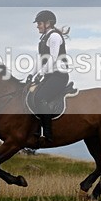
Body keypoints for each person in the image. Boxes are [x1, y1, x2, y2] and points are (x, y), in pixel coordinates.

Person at [32, 10, 70, 142]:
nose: (37, 26)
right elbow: (41, 59)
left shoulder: (54, 37)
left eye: (39, 23)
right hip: (49, 75)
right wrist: (31, 75)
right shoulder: (43, 38)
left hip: (59, 75)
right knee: (30, 95)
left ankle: (48, 134)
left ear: (48, 23)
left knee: (40, 97)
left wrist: (40, 74)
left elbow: (53, 58)